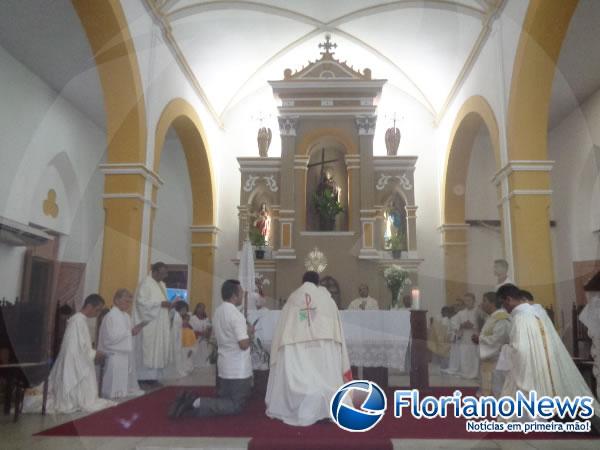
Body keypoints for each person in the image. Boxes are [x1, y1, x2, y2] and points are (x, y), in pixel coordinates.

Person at [497, 284, 600, 423]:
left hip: (529, 368)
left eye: (503, 304)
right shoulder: (537, 313)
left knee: (517, 385)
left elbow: (520, 350)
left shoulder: (520, 317)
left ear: (508, 299)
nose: (505, 309)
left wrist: (505, 349)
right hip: (546, 364)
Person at [265, 271, 352, 426]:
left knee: (304, 375)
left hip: (297, 347)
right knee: (326, 376)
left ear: (302, 281)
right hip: (324, 345)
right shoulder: (327, 300)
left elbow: (283, 328)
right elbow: (336, 325)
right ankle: (328, 405)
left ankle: (301, 404)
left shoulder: (293, 299)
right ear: (318, 283)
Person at [168, 280, 253, 419]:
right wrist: (250, 332)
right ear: (234, 295)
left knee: (225, 399)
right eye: (241, 292)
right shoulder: (236, 315)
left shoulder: (218, 311)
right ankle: (195, 402)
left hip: (224, 366)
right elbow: (243, 344)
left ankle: (192, 404)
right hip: (238, 369)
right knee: (236, 405)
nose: (243, 295)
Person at [28, 295, 116, 413]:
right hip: (73, 362)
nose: (98, 313)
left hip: (77, 359)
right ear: (89, 306)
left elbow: (81, 345)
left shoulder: (80, 320)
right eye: (98, 309)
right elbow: (76, 348)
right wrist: (95, 354)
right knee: (81, 400)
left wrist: (92, 352)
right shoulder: (78, 321)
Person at [98, 289, 145, 399]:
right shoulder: (111, 316)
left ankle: (123, 391)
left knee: (125, 383)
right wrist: (129, 332)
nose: (128, 304)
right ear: (116, 300)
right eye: (126, 301)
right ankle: (110, 393)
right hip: (113, 353)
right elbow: (111, 338)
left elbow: (126, 334)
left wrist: (134, 332)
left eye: (130, 302)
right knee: (113, 388)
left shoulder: (126, 316)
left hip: (123, 352)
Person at [133, 262, 171, 385]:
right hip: (150, 324)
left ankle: (154, 377)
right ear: (154, 271)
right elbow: (141, 303)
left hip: (160, 324)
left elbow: (162, 302)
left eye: (165, 274)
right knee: (148, 351)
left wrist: (168, 305)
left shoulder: (162, 285)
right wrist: (159, 304)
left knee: (158, 351)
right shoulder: (146, 283)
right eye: (161, 274)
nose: (163, 277)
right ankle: (143, 378)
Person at [472, 292, 510, 397]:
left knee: (499, 390)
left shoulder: (502, 319)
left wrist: (479, 339)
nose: (482, 304)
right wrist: (480, 339)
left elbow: (498, 340)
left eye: (484, 301)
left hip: (498, 360)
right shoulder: (492, 317)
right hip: (491, 359)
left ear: (492, 303)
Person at [448, 293, 480, 379]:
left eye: (469, 300)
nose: (467, 302)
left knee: (474, 356)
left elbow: (484, 324)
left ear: (474, 301)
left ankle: (475, 374)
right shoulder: (461, 313)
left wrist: (473, 325)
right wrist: (462, 325)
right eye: (466, 300)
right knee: (464, 355)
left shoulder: (479, 312)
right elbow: (454, 324)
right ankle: (465, 373)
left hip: (475, 337)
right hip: (464, 337)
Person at [165, 301, 193, 379]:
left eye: (185, 309)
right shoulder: (176, 315)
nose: (185, 311)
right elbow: (173, 328)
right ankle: (175, 371)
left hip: (177, 338)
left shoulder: (179, 316)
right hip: (174, 338)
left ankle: (177, 370)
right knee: (175, 354)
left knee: (177, 355)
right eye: (183, 309)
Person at [427, 306, 452, 370]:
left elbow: (449, 333)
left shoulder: (450, 321)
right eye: (443, 312)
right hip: (438, 343)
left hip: (446, 343)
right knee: (437, 359)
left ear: (449, 313)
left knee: (444, 360)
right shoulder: (438, 320)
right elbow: (433, 331)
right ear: (441, 312)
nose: (444, 313)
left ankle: (443, 369)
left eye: (446, 312)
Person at [189, 303, 212, 368]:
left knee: (204, 359)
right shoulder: (193, 318)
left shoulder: (206, 319)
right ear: (197, 308)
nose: (202, 310)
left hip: (204, 341)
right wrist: (200, 333)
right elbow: (191, 330)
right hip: (195, 340)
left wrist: (208, 332)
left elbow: (209, 328)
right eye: (200, 308)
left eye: (203, 308)